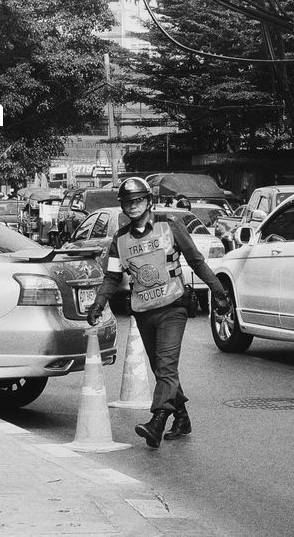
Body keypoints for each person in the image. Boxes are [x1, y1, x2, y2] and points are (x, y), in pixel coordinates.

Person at [84, 177, 231, 448]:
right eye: (128, 202)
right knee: (161, 369)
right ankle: (182, 418)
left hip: (173, 307)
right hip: (143, 312)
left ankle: (157, 422)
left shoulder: (170, 227)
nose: (133, 206)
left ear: (149, 201)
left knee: (165, 366)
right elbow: (112, 278)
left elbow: (197, 262)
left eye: (138, 200)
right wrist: (98, 304)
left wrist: (219, 293)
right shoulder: (120, 240)